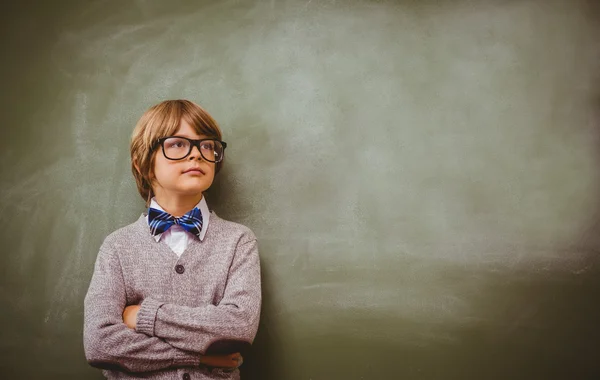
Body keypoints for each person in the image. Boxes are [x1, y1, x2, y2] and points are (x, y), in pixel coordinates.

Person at [84, 99, 261, 380]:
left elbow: (238, 327)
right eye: (178, 144)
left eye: (207, 145)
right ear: (143, 163)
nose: (197, 154)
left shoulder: (238, 241)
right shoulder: (117, 246)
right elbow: (101, 343)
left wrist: (143, 315)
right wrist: (198, 355)